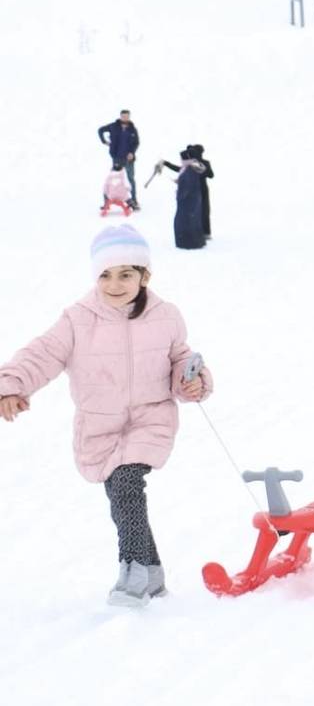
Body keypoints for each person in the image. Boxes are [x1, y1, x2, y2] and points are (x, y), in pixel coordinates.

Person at [0, 225, 213, 606]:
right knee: (120, 494)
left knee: (128, 482)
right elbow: (43, 353)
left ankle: (131, 570)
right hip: (99, 426)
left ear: (145, 276)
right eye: (105, 275)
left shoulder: (167, 316)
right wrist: (12, 385)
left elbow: (180, 358)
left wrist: (191, 381)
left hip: (151, 419)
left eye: (126, 274)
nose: (114, 284)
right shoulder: (77, 320)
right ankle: (153, 573)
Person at [159, 150, 206, 249]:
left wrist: (180, 194)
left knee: (184, 222)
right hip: (193, 200)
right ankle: (195, 241)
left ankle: (188, 242)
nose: (180, 161)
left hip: (188, 201)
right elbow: (182, 175)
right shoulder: (190, 167)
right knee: (192, 220)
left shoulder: (189, 170)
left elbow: (187, 186)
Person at [97, 110, 141, 211]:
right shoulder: (113, 126)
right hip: (116, 157)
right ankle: (107, 202)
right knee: (112, 179)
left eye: (127, 116)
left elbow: (136, 143)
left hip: (129, 159)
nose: (125, 118)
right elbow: (100, 130)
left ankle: (134, 201)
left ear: (129, 117)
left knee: (130, 179)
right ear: (120, 116)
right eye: (123, 116)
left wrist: (132, 152)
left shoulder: (132, 129)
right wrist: (104, 141)